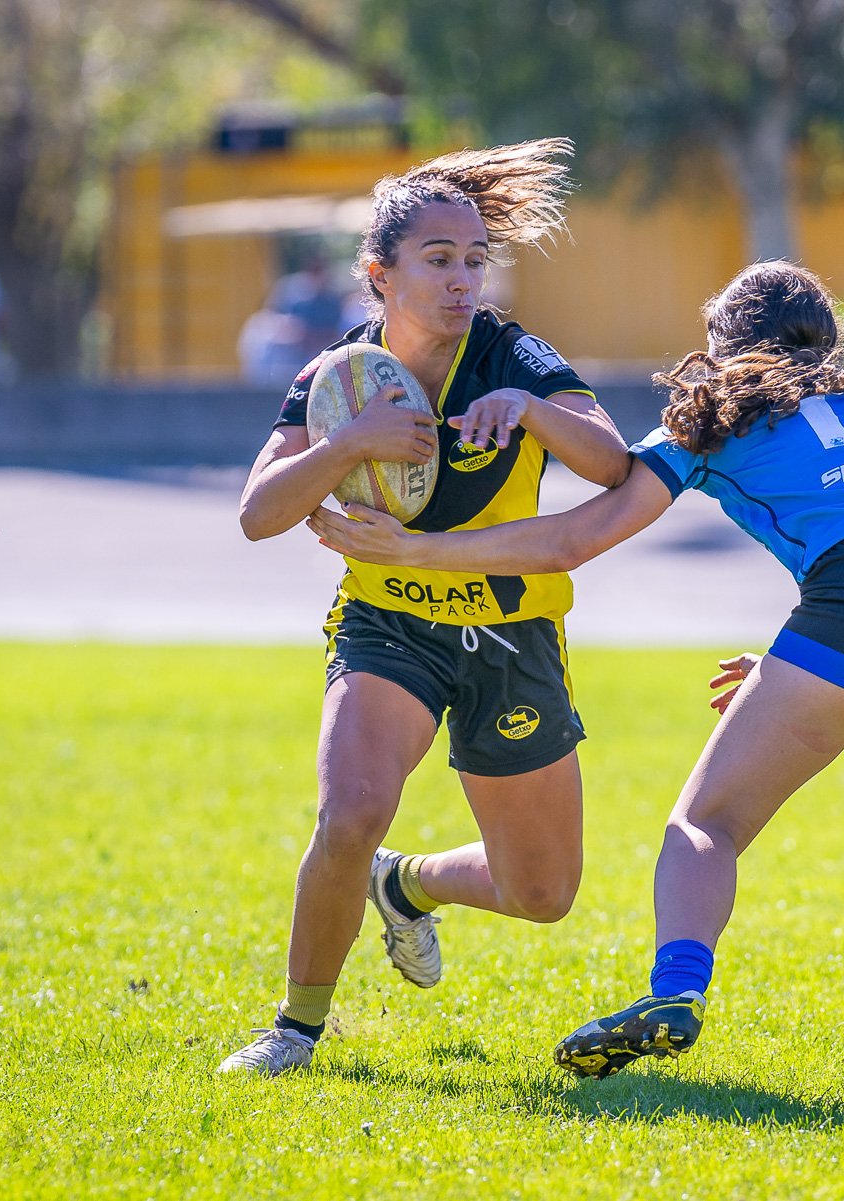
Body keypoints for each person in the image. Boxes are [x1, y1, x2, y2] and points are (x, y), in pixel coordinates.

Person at [311, 261, 844, 1077]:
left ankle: (676, 991)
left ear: (724, 342)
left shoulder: (713, 413)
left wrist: (419, 550)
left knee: (705, 822)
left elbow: (575, 538)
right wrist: (803, 664)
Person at [217, 141, 633, 1076]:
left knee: (543, 891)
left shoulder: (511, 354)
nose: (462, 281)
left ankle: (404, 885)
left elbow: (612, 462)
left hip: (510, 631)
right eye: (438, 260)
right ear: (381, 273)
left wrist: (529, 408)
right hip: (388, 620)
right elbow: (258, 514)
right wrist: (349, 443)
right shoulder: (339, 377)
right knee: (351, 811)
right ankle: (295, 1029)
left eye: (474, 260)